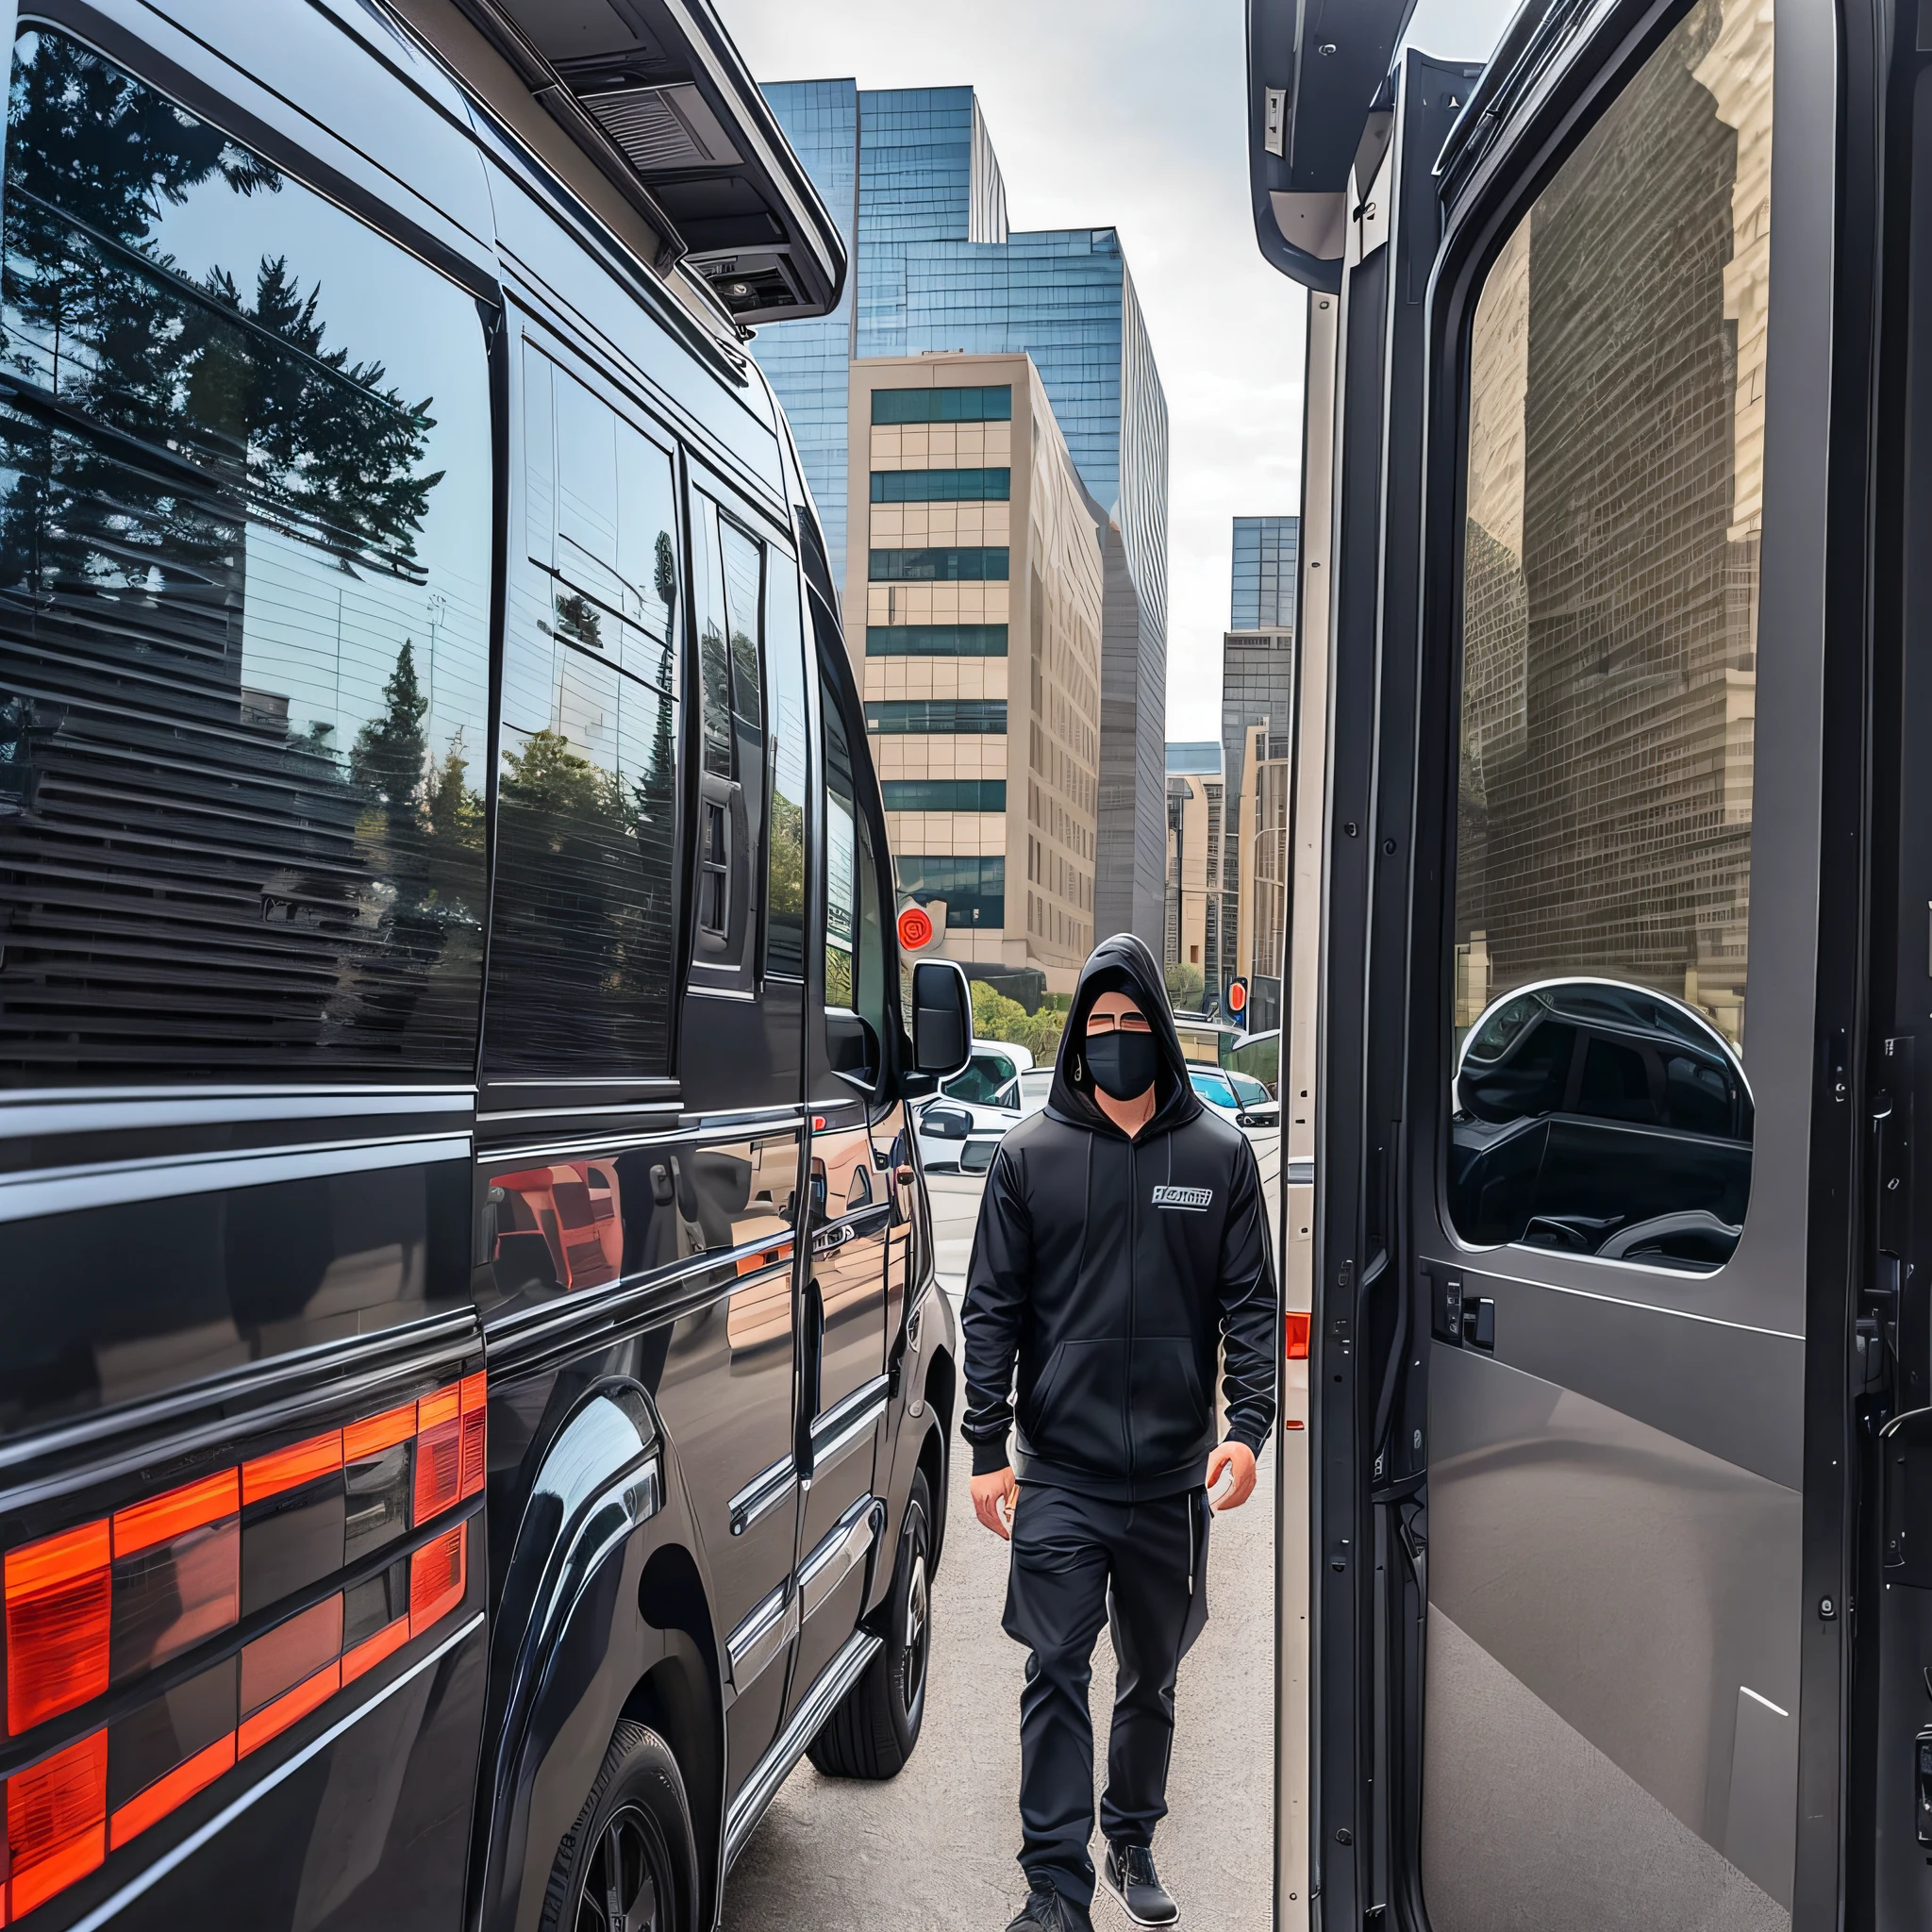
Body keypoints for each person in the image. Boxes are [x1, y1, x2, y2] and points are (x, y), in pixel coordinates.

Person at [961, 933, 1277, 1932]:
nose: (1113, 1038)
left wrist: (1249, 1424)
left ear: (1160, 1031)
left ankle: (1131, 1830)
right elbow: (989, 1310)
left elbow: (1252, 1308)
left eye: (1130, 1021)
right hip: (1058, 1474)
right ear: (1074, 1035)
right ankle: (1054, 1887)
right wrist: (981, 1446)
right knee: (1052, 1667)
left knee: (1153, 1670)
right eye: (1096, 1023)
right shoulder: (1028, 1156)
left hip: (1172, 1481)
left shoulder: (1218, 1156)